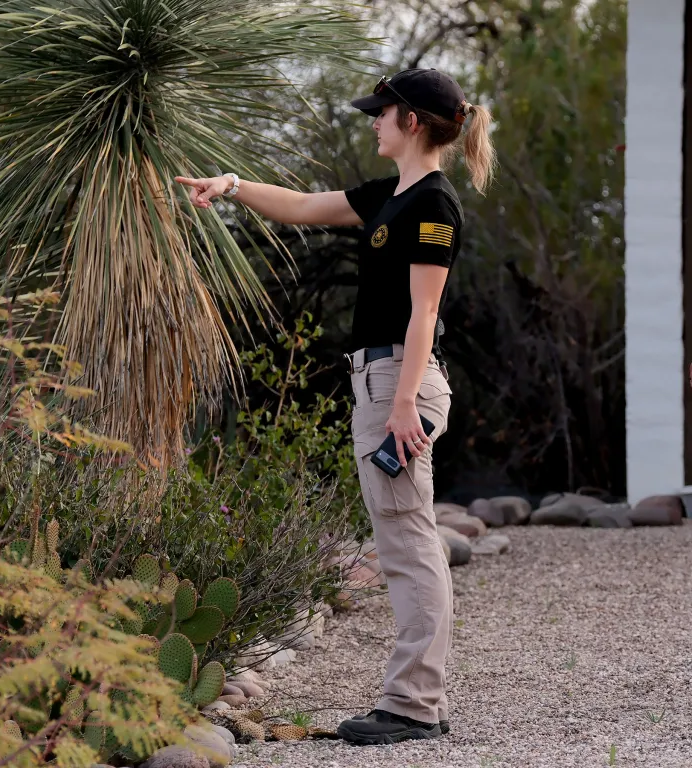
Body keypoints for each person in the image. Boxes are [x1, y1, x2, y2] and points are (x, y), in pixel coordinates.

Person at [176, 68, 496, 744]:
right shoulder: (392, 196)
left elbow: (425, 309)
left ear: (410, 121)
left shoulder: (433, 204)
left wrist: (404, 402)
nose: (372, 122)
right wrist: (231, 186)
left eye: (380, 113)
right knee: (404, 540)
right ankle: (418, 701)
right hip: (380, 382)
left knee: (409, 545)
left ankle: (413, 705)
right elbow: (300, 206)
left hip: (398, 384)